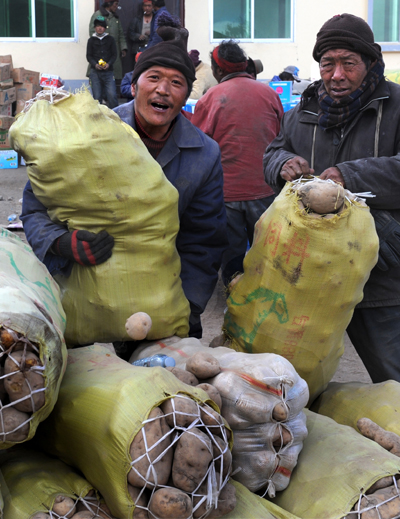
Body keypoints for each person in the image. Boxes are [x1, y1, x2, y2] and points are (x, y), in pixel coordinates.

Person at [20, 20, 227, 354]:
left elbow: (204, 240)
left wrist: (186, 308)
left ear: (186, 95)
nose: (163, 90)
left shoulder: (204, 154)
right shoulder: (88, 136)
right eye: (154, 78)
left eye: (176, 83)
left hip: (164, 311)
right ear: (134, 86)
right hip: (89, 306)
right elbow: (33, 211)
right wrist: (61, 243)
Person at [263, 13, 400, 384]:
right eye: (328, 63)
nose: (336, 74)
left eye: (348, 63)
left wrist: (350, 176)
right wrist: (282, 163)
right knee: (298, 381)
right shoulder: (303, 112)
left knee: (393, 375)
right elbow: (273, 151)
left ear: (371, 62)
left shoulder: (397, 107)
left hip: (382, 276)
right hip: (309, 277)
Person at [192, 40, 283, 287]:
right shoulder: (270, 94)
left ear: (218, 70)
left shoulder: (210, 98)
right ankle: (266, 298)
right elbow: (281, 137)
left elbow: (198, 146)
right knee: (266, 251)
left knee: (232, 257)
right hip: (265, 189)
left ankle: (235, 301)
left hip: (227, 193)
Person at [89, 1, 128, 83]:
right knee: (99, 76)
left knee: (114, 75)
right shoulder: (97, 15)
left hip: (114, 50)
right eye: (115, 4)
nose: (117, 6)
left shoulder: (115, 17)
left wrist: (123, 47)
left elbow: (120, 33)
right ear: (109, 4)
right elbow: (92, 32)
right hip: (100, 50)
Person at [86, 16, 119, 109]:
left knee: (112, 95)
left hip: (108, 72)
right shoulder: (91, 40)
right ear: (94, 28)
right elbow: (89, 56)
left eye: (102, 26)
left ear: (105, 28)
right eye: (97, 26)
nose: (99, 28)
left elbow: (114, 55)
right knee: (97, 97)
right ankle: (99, 118)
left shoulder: (110, 39)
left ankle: (115, 115)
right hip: (95, 73)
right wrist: (95, 64)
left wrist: (108, 64)